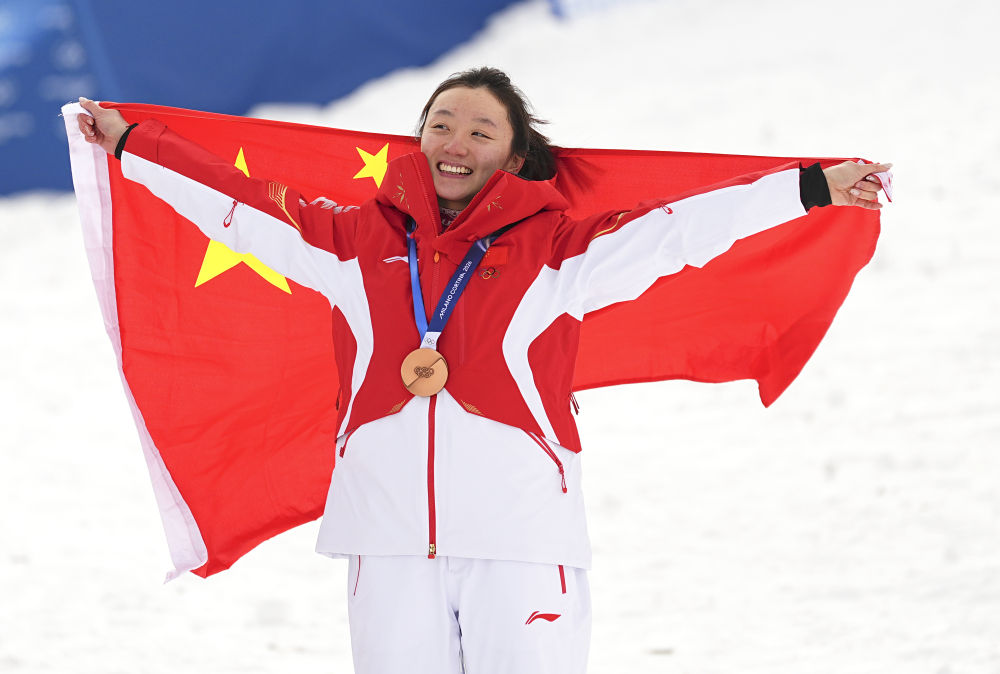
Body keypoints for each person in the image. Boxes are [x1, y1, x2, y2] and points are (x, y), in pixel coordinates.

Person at [77, 67, 889, 674]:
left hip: (521, 542)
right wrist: (136, 145)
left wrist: (808, 189)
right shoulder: (351, 242)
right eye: (441, 125)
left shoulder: (558, 252)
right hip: (386, 544)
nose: (455, 144)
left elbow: (676, 230)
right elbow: (240, 206)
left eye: (479, 131)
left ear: (513, 155)